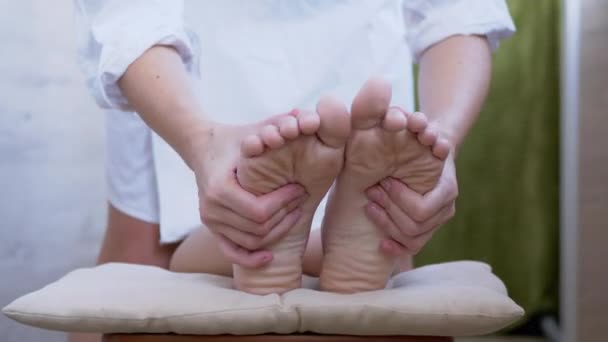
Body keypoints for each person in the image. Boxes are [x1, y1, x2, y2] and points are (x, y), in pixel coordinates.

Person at [70, 0, 514, 340]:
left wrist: (444, 147)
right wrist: (441, 138)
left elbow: (129, 18)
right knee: (387, 217)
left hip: (179, 65)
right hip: (187, 86)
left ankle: (258, 244)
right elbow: (459, 11)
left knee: (151, 264)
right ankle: (338, 243)